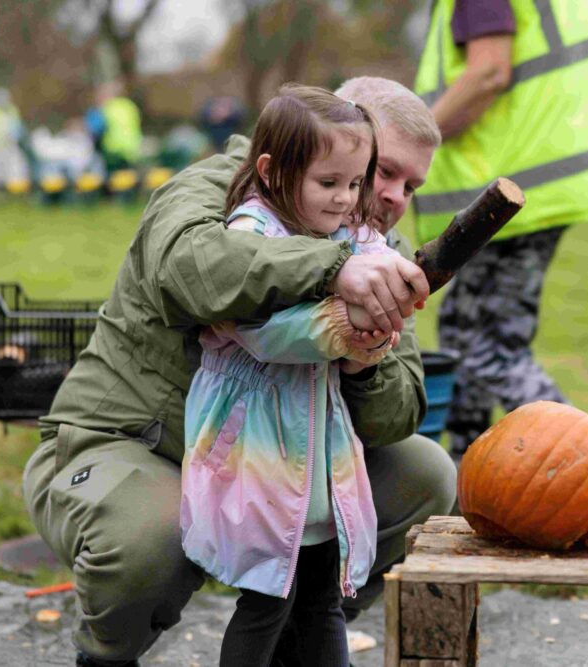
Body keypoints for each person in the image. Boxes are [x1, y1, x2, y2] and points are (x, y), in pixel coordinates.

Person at [23, 77, 452, 667]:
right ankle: (106, 656)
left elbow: (399, 412)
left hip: (274, 455)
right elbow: (192, 271)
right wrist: (335, 272)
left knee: (426, 475)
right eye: (384, 171)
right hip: (142, 443)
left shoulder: (377, 247)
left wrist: (362, 364)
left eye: (411, 185)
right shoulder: (215, 188)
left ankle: (304, 629)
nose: (395, 195)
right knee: (146, 545)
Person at [182, 85, 399, 666]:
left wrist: (379, 322)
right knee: (266, 602)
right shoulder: (250, 235)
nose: (342, 199)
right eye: (327, 183)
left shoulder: (341, 232)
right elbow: (257, 328)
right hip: (254, 450)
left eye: (354, 184)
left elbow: (371, 265)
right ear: (273, 171)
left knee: (321, 600)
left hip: (318, 449)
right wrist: (343, 327)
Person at [413, 0, 588, 457]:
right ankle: (464, 477)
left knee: (491, 348)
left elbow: (488, 73)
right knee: (462, 338)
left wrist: (407, 139)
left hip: (508, 190)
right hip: (520, 184)